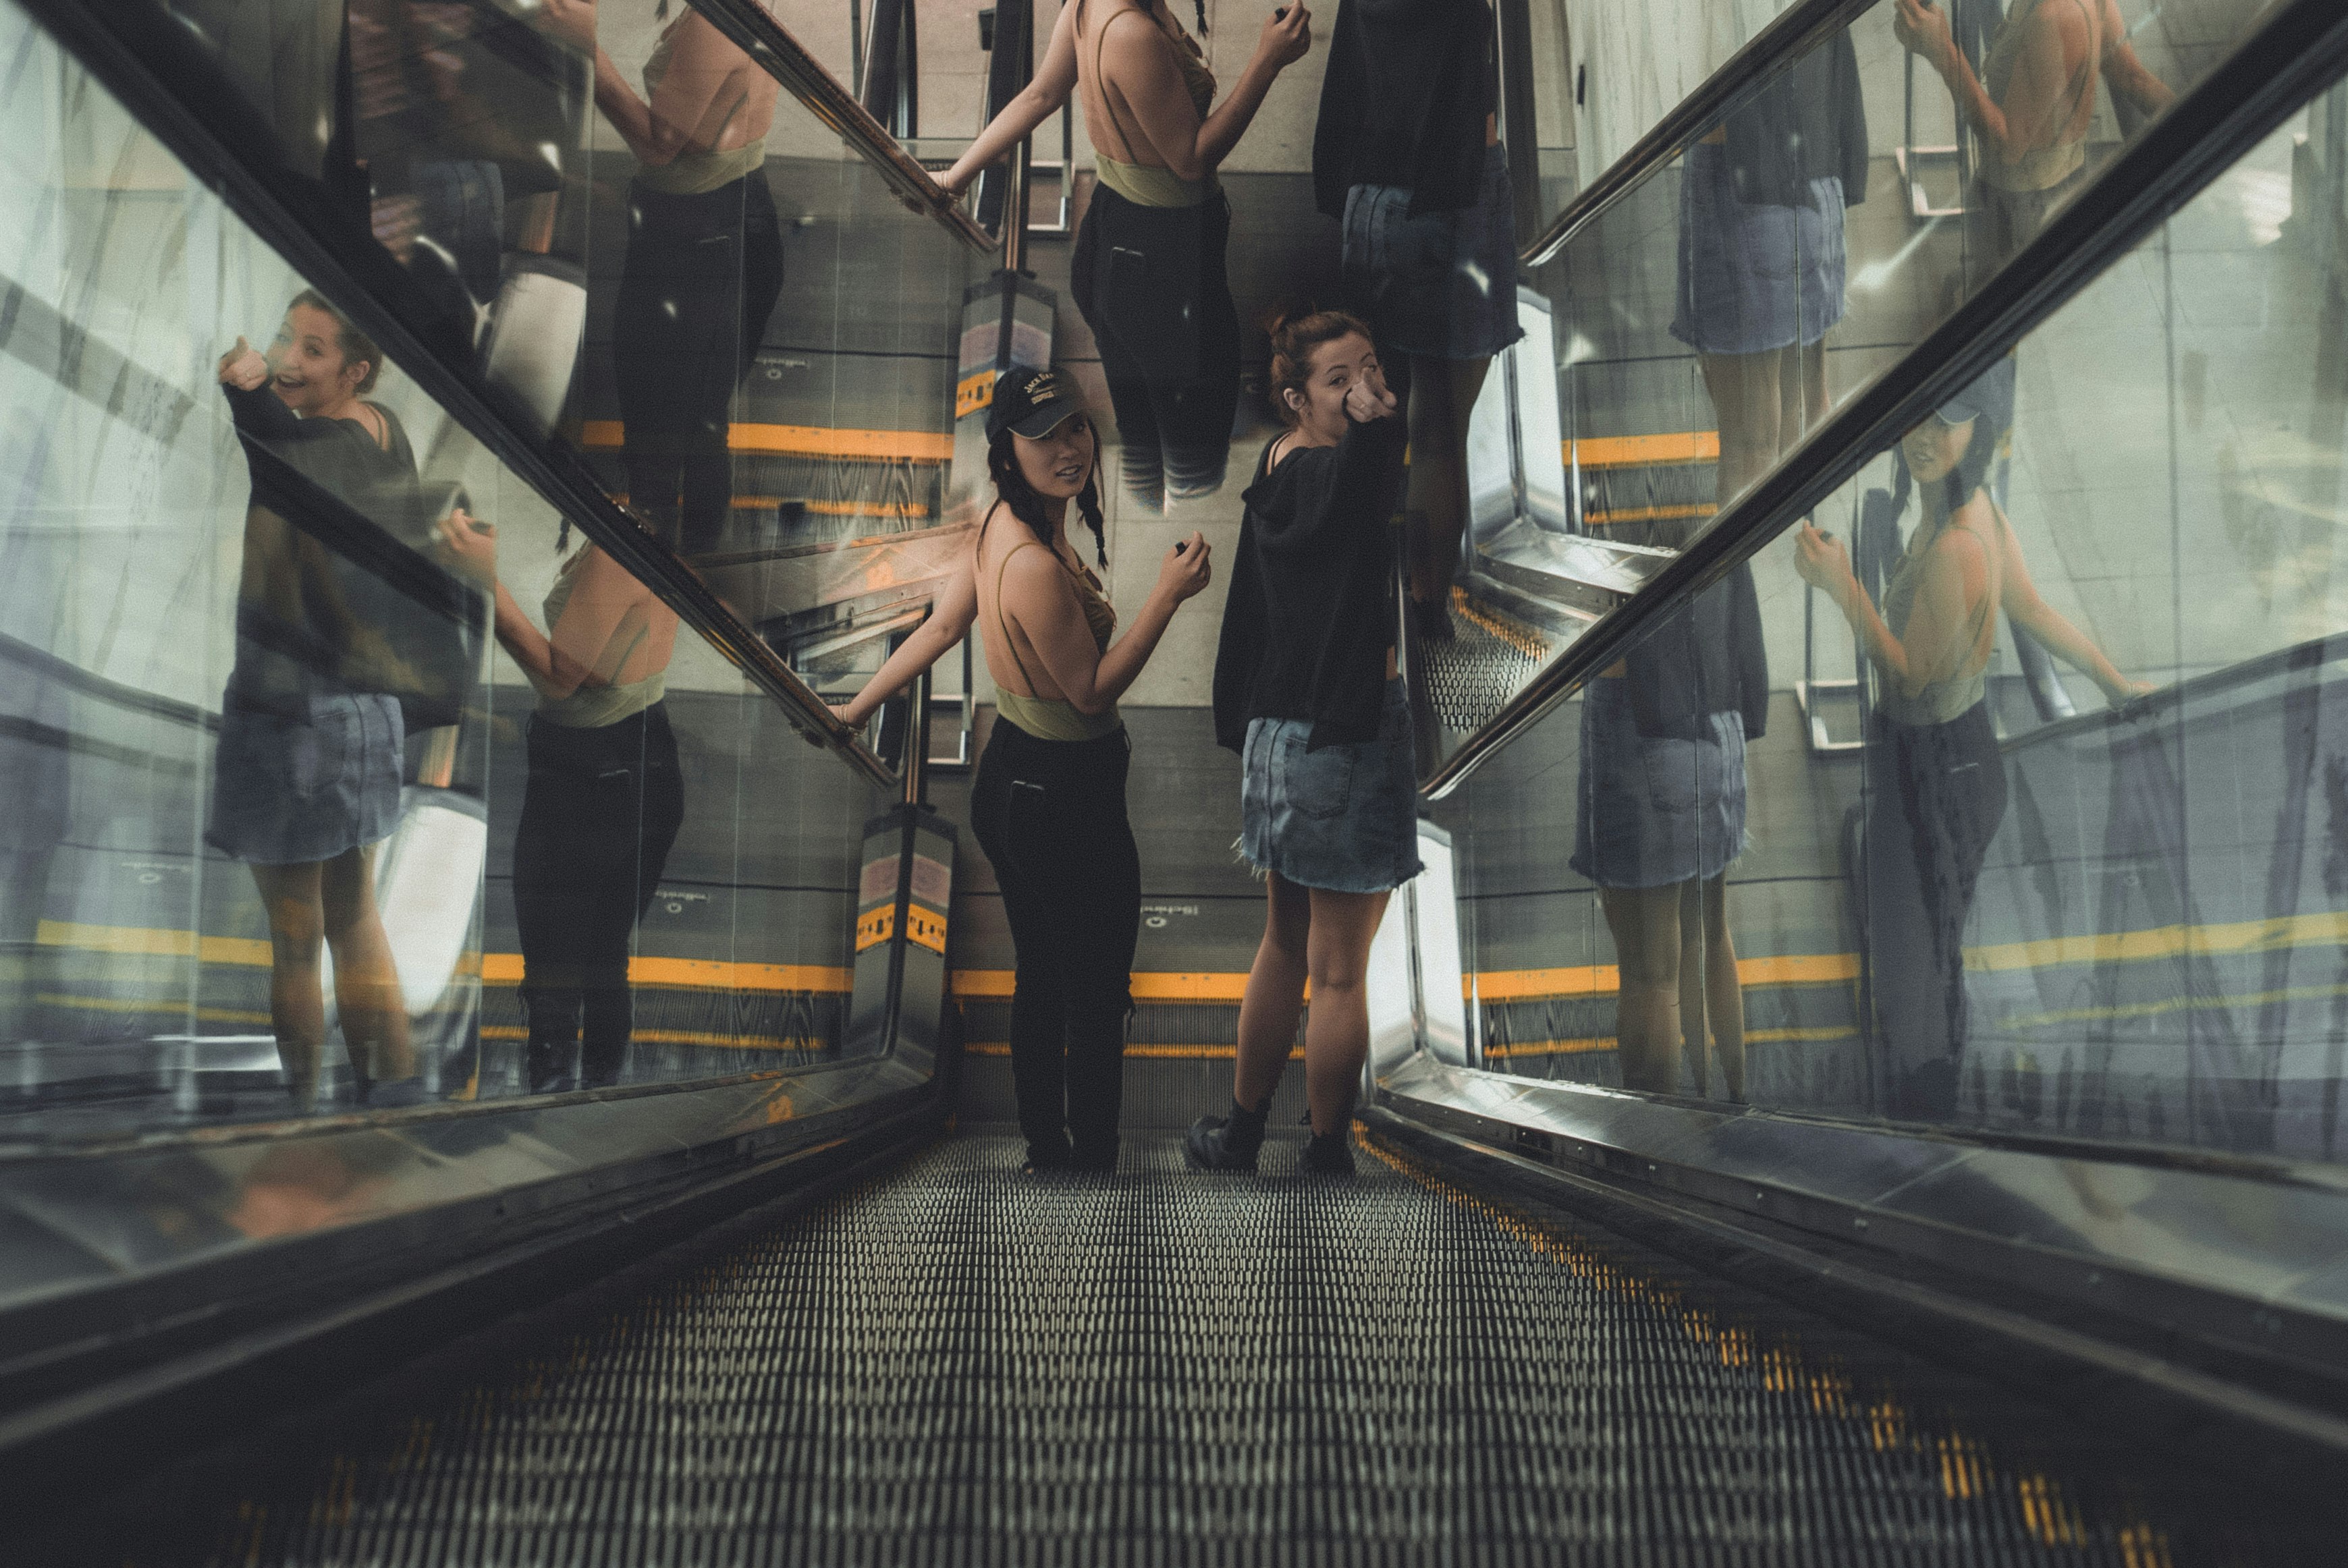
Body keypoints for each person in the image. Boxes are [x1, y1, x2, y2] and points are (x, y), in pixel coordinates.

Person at [849, 368, 1211, 1171]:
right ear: (1006, 450)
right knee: (1092, 987)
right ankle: (1089, 1160)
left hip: (1011, 782)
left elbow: (941, 626)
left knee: (1042, 972)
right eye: (1043, 436)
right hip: (1065, 799)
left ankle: (1046, 1145)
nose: (1067, 448)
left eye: (1075, 427)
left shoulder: (995, 526)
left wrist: (854, 708)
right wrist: (1168, 594)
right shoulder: (1033, 566)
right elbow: (1089, 692)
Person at [1793, 362, 2150, 1118]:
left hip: (1937, 768)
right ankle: (1928, 1079)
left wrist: (1840, 587)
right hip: (1947, 759)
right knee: (1929, 938)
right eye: (1918, 416)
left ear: (1976, 432)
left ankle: (1929, 1100)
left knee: (1923, 949)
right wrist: (2114, 682)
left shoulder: (1959, 543)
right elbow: (2032, 608)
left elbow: (1912, 675)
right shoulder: (1968, 505)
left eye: (1945, 424)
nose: (1924, 436)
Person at [939, 0, 1313, 512]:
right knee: (1194, 427)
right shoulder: (1131, 33)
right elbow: (1191, 157)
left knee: (1144, 412)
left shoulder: (1091, 5)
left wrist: (957, 177)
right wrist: (1267, 61)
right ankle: (1188, 517)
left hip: (1115, 238)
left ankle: (1146, 504)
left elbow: (1041, 93)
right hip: (1162, 265)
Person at [1192, 308, 1412, 1177]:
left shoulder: (1277, 463)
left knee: (1285, 941)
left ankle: (1240, 1134)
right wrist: (1378, 422)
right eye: (1338, 380)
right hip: (1339, 743)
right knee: (1341, 971)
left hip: (1277, 739)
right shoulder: (1333, 473)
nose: (1361, 388)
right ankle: (1325, 1151)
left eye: (1368, 367)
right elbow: (1360, 488)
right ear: (1294, 399)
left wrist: (1362, 417)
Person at [212, 296, 425, 1111]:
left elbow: (283, 445)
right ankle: (396, 1099)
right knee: (355, 917)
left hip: (291, 716)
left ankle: (307, 1115)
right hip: (368, 713)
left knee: (296, 937)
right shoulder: (382, 431)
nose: (290, 360)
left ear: (355, 370)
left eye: (314, 349)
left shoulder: (313, 449)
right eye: (283, 340)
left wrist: (246, 388)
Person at [440, 513, 684, 1095]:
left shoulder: (618, 551)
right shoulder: (649, 537)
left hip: (587, 777)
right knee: (604, 955)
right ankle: (599, 1104)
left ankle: (552, 1104)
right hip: (643, 758)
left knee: (554, 965)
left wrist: (483, 582)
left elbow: (562, 676)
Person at [540, 0, 782, 555]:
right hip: (726, 223)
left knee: (657, 423)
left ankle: (652, 567)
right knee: (701, 416)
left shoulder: (716, 18)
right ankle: (692, 563)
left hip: (697, 245)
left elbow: (659, 142)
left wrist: (586, 47)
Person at [1313, 0, 1519, 641]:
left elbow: (1345, 91)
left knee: (1372, 424)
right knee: (1438, 435)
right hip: (1449, 214)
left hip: (1371, 209)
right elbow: (1475, 132)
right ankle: (1428, 608)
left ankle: (1357, 604)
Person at [1574, 565, 1769, 1102]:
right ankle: (1732, 1101)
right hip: (1717, 716)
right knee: (1709, 929)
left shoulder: (1630, 495)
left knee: (1648, 971)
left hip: (1640, 714)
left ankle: (1655, 1143)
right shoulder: (1710, 488)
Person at [1674, 28, 1867, 517]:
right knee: (1805, 398)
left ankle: (1753, 583)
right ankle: (1800, 570)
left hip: (1742, 171)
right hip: (1818, 158)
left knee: (1749, 438)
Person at [1894, 0, 2173, 279]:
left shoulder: (2052, 16)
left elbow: (2009, 145)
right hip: (2052, 189)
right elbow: (2133, 77)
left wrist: (1942, 51)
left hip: (2023, 209)